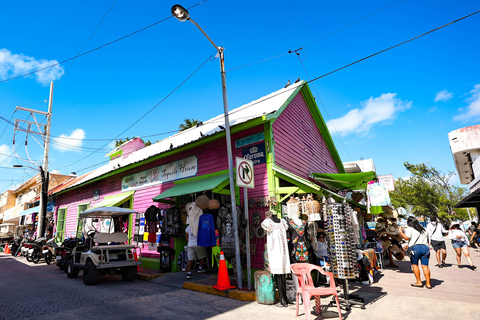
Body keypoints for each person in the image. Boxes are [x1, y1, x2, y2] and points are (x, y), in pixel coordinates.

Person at [399, 217, 432, 289]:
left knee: (415, 265)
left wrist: (400, 232)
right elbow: (428, 241)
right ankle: (428, 284)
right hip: (425, 248)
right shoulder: (424, 229)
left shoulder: (410, 229)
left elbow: (406, 238)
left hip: (415, 248)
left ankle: (419, 282)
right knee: (425, 266)